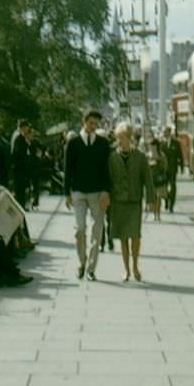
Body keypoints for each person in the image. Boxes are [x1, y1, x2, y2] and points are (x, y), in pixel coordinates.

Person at [64, 109, 110, 281]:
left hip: (97, 192)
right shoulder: (73, 143)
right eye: (91, 123)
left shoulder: (103, 144)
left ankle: (91, 268)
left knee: (97, 232)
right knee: (80, 229)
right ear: (84, 122)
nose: (93, 127)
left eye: (96, 124)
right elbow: (67, 168)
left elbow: (106, 170)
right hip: (78, 191)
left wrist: (106, 190)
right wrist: (66, 192)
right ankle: (81, 262)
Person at [108, 122, 154, 282]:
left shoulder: (140, 157)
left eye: (121, 138)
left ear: (129, 138)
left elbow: (148, 179)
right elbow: (109, 179)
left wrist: (150, 200)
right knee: (122, 236)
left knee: (135, 235)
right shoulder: (112, 157)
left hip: (134, 201)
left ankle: (135, 265)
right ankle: (126, 269)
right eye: (117, 138)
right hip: (118, 201)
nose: (119, 141)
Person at [161, 125, 184, 212]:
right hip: (163, 169)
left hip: (173, 168)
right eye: (163, 132)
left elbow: (180, 155)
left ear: (169, 133)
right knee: (164, 186)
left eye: (165, 132)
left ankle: (171, 205)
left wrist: (181, 167)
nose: (164, 134)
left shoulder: (176, 143)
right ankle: (166, 200)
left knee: (173, 186)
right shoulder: (161, 143)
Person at [146, 138, 167, 221]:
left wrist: (159, 163)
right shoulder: (148, 155)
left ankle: (158, 214)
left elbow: (165, 166)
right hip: (151, 178)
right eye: (151, 146)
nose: (151, 147)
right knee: (153, 197)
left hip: (159, 178)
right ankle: (154, 214)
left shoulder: (162, 155)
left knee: (159, 197)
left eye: (152, 146)